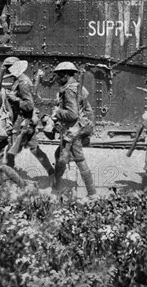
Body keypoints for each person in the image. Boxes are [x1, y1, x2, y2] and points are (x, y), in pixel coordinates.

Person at [50, 61, 96, 197]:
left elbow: (72, 114)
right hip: (77, 128)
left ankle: (92, 193)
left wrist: (57, 111)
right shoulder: (77, 87)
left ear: (65, 75)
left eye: (58, 75)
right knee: (59, 156)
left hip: (72, 131)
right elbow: (89, 111)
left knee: (78, 160)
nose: (57, 78)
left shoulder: (69, 90)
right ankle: (56, 186)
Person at [5, 59, 54, 177]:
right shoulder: (19, 80)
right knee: (35, 149)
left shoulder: (23, 82)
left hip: (23, 122)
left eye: (8, 68)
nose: (7, 71)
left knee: (11, 150)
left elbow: (29, 105)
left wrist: (14, 99)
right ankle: (52, 173)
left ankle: (10, 177)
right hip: (26, 122)